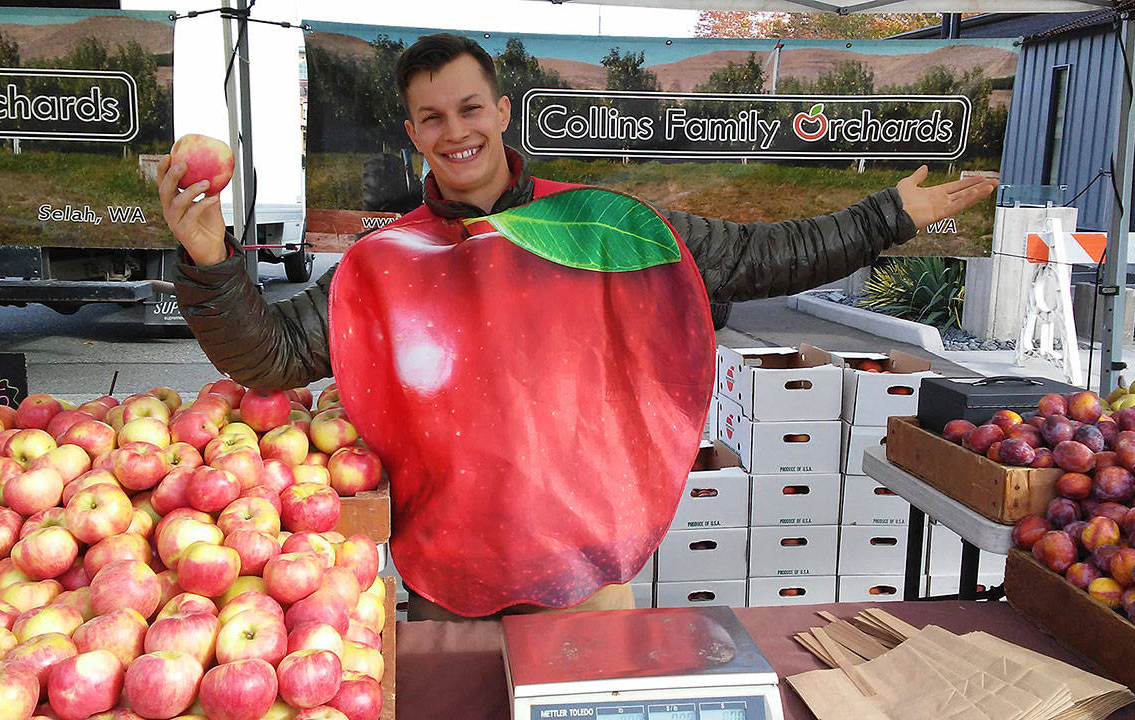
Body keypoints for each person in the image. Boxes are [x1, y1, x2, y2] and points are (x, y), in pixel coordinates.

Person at [159, 33, 998, 621]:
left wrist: (888, 216)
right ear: (413, 134)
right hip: (442, 572)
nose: (457, 132)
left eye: (470, 108)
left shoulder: (603, 228)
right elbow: (267, 359)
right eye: (434, 118)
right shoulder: (384, 265)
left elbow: (762, 257)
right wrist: (209, 260)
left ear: (504, 110)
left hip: (590, 563)